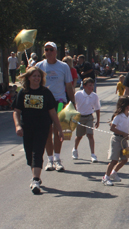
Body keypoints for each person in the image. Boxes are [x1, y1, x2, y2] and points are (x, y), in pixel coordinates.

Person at [12, 67, 63, 194]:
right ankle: (36, 177)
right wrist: (18, 126)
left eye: (39, 76)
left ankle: (35, 180)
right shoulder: (23, 92)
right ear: (29, 77)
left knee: (37, 152)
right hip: (27, 128)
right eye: (34, 76)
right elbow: (16, 111)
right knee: (29, 155)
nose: (37, 78)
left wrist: (59, 129)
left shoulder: (45, 92)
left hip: (42, 127)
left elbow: (52, 112)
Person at [36, 41, 75, 172]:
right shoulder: (39, 66)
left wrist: (73, 103)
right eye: (46, 50)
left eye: (51, 50)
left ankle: (58, 160)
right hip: (44, 104)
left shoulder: (63, 67)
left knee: (59, 131)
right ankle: (50, 160)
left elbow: (69, 86)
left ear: (56, 51)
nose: (48, 52)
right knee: (47, 132)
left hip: (59, 103)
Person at [102, 96, 129, 186]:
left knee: (124, 159)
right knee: (114, 160)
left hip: (124, 140)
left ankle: (113, 173)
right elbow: (112, 128)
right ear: (126, 106)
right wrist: (122, 133)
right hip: (116, 139)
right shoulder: (118, 116)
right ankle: (106, 177)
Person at [72, 78, 101, 162]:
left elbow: (97, 109)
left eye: (92, 85)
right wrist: (73, 116)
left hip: (89, 117)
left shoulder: (94, 96)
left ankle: (93, 154)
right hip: (80, 117)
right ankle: (75, 149)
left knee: (90, 135)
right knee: (79, 136)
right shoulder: (78, 94)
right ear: (84, 86)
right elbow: (73, 105)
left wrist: (98, 120)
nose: (91, 87)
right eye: (89, 85)